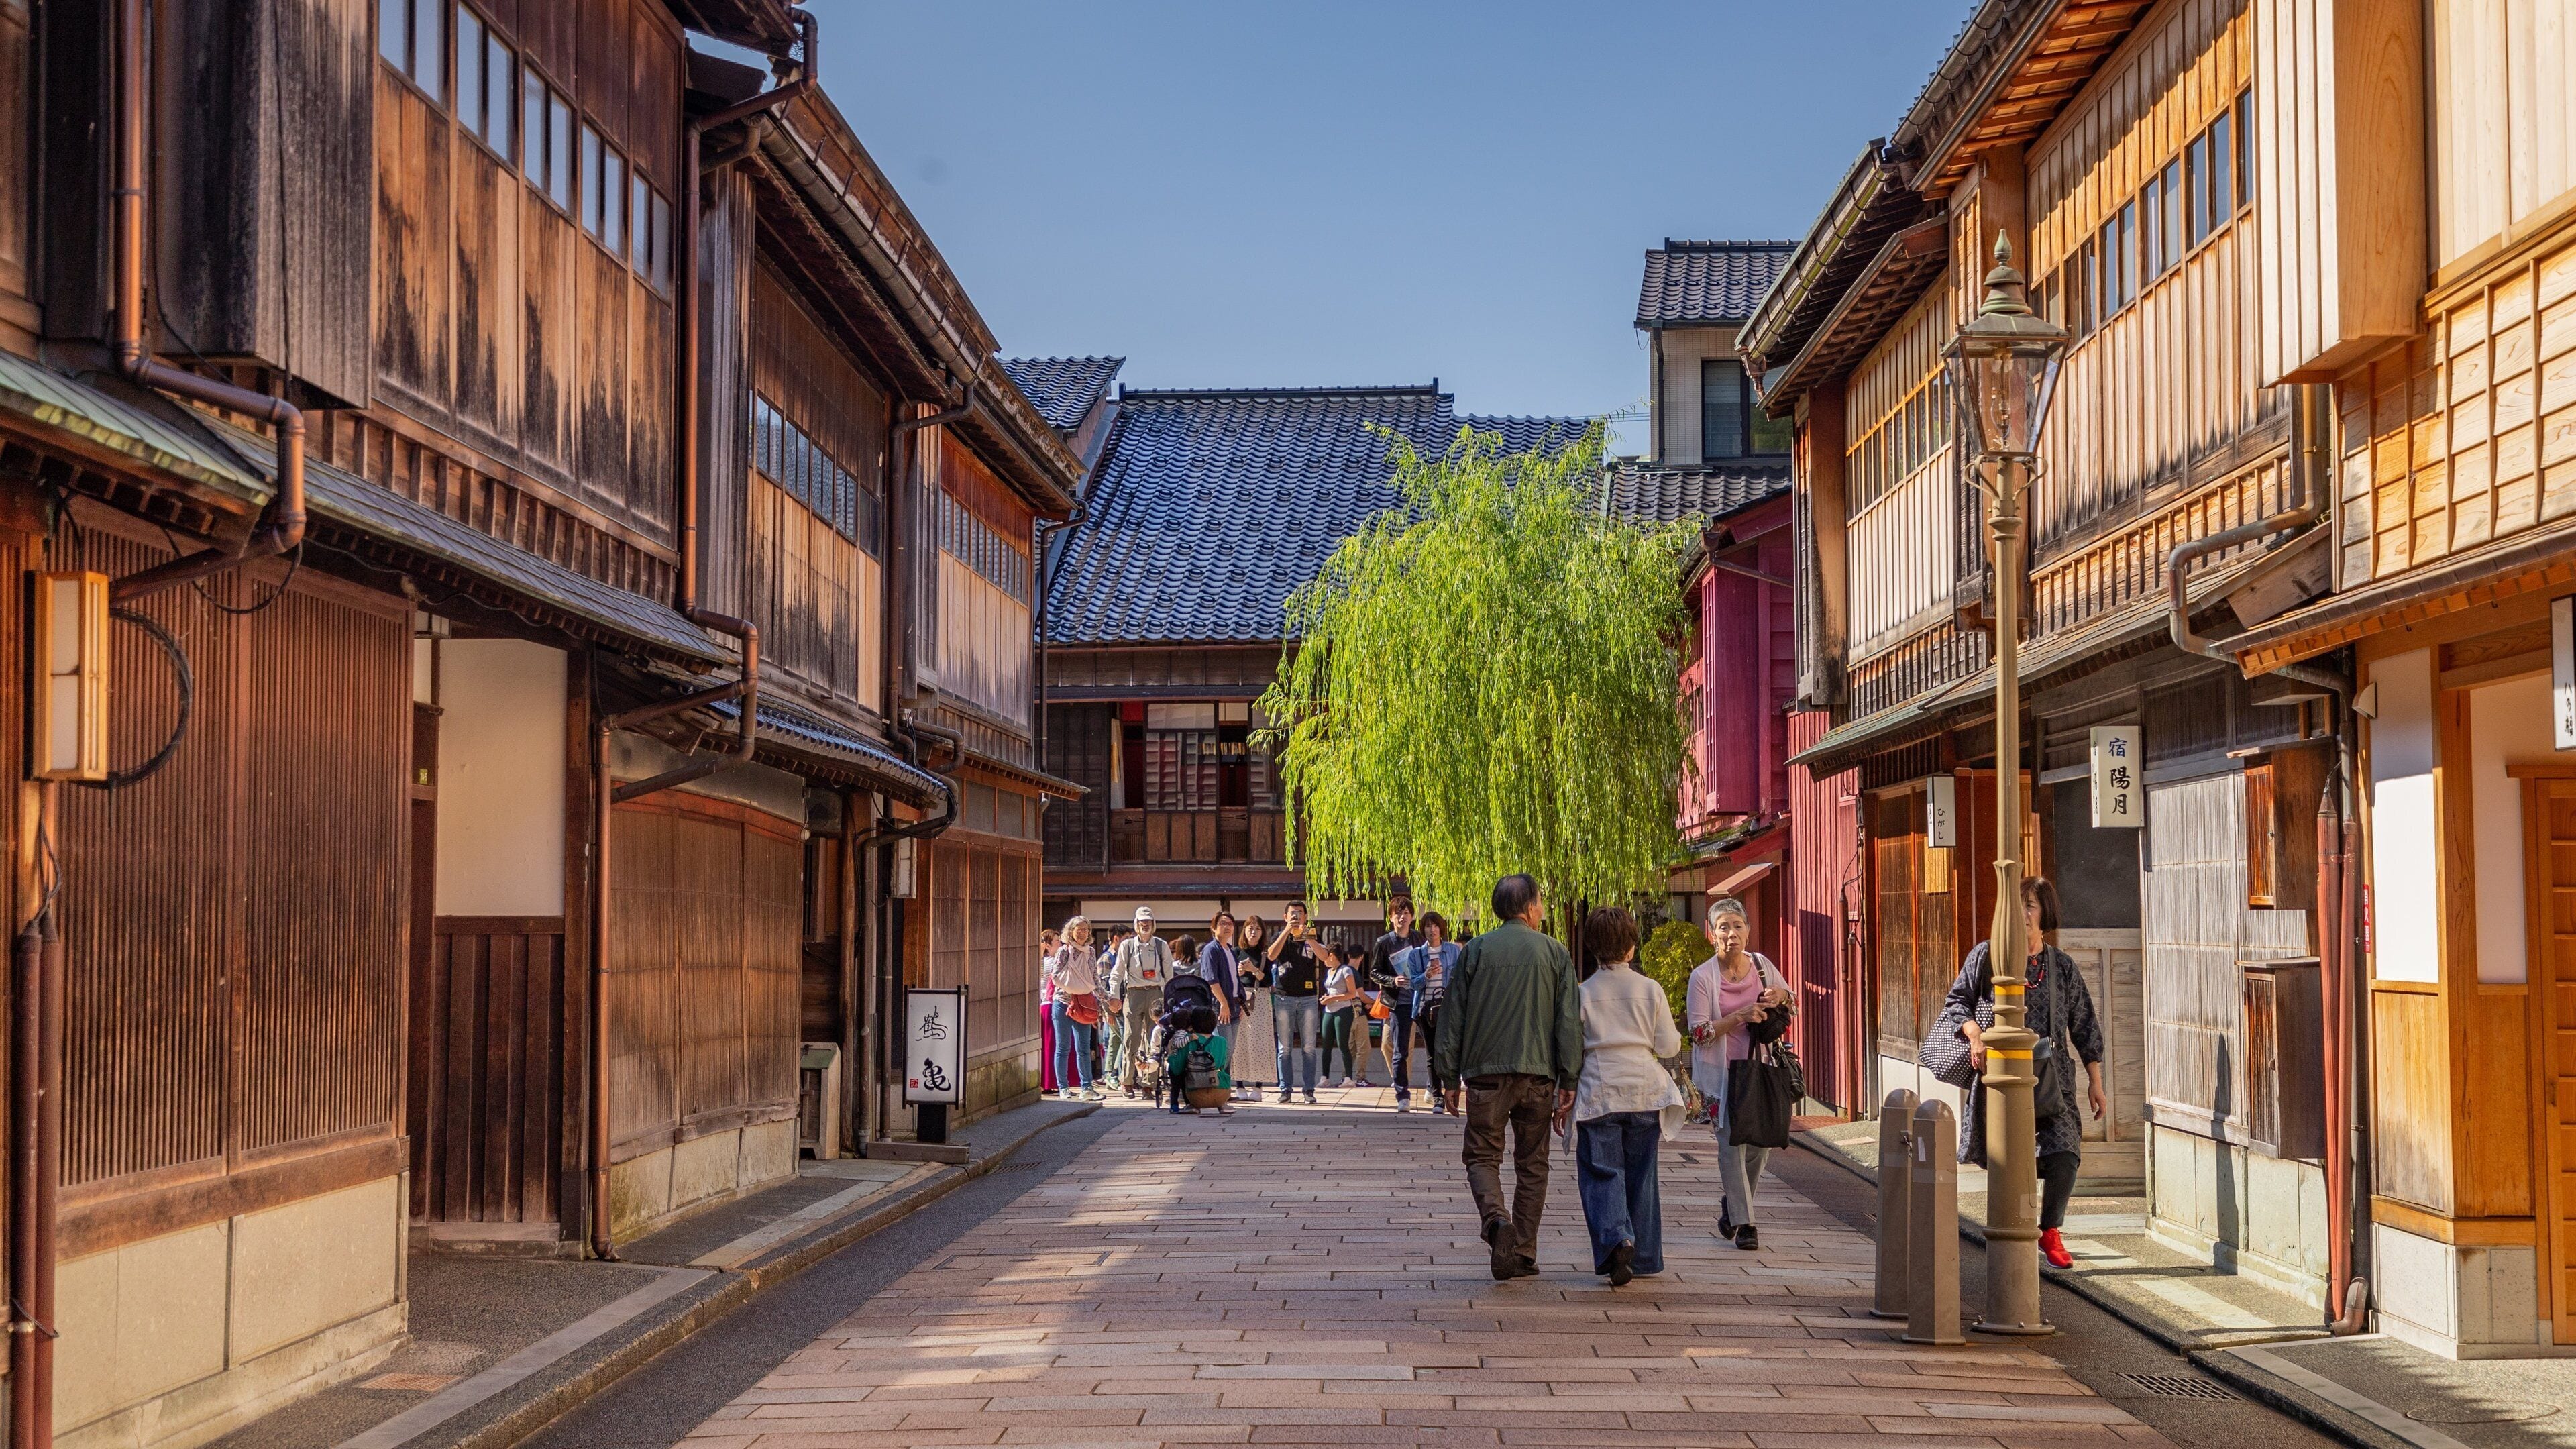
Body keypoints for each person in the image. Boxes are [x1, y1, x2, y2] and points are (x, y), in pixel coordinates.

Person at [1928, 876, 2106, 1269]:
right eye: (2016, 904)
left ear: (2046, 914)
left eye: (2030, 905)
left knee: (2066, 1155)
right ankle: (2010, 1234)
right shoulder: (1987, 955)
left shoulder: (2061, 966)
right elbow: (1957, 1001)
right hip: (1999, 1078)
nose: (2022, 913)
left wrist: (2095, 1081)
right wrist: (1974, 1034)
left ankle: (2050, 1229)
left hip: (2052, 1079)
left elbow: (2084, 1024)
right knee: (2007, 1161)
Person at [1435, 873, 1583, 1281]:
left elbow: (1453, 1019)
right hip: (1538, 1076)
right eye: (1541, 903)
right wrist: (1569, 1079)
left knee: (1482, 1155)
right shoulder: (1555, 952)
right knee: (1533, 1164)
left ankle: (1497, 1221)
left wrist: (1447, 1077)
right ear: (1531, 907)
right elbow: (1568, 1022)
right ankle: (1522, 1252)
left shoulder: (1476, 951)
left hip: (1485, 1076)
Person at [1564, 907, 1684, 1285]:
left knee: (1603, 1172)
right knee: (1642, 1175)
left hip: (1600, 1088)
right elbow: (1667, 1046)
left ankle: (1617, 1240)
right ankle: (1645, 1256)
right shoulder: (1651, 990)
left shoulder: (1582, 992)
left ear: (1593, 949)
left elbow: (1571, 1049)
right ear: (1632, 948)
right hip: (1645, 1088)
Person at [1687, 897, 1792, 1250]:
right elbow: (1699, 1034)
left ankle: (1733, 1207)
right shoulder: (1702, 977)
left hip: (1761, 1069)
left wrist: (1782, 994)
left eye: (1737, 926)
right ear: (1712, 934)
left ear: (1747, 932)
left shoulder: (1762, 965)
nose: (1731, 933)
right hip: (1720, 1074)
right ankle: (1747, 1223)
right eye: (1723, 927)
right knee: (1731, 1144)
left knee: (1760, 1144)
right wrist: (1739, 1016)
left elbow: (1791, 1000)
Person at [1105, 907, 1175, 1097]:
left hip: (1156, 995)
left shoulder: (1162, 946)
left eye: (1149, 922)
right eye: (1142, 922)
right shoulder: (1127, 946)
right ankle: (1126, 1081)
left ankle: (1149, 1084)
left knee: (1155, 1039)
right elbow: (1117, 973)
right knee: (1131, 1039)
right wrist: (1114, 996)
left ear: (1154, 925)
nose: (1145, 925)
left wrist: (1169, 1001)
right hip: (1133, 994)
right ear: (1136, 924)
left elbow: (1169, 976)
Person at [1364, 896, 1424, 1107]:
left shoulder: (1419, 939)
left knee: (1434, 1048)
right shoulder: (1384, 942)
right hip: (1399, 1002)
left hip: (1421, 999)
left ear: (1412, 917)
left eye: (1406, 913)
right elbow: (1373, 972)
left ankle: (1434, 1090)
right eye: (1398, 913)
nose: (1402, 917)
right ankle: (1403, 1095)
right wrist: (1392, 980)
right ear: (1391, 917)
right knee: (1399, 1049)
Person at [1400, 913, 1463, 1113]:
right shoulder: (1416, 954)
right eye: (1428, 926)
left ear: (1441, 929)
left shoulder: (1453, 951)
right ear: (1423, 929)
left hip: (1449, 1008)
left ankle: (1453, 1090)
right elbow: (1413, 984)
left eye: (1435, 926)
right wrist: (1427, 974)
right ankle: (1437, 1096)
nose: (1432, 930)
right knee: (1432, 1053)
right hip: (1426, 1009)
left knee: (1451, 1050)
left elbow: (1461, 979)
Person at [1267, 903, 1326, 1104]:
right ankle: (1285, 1090)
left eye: (1300, 914)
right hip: (1284, 997)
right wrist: (1287, 931)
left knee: (1309, 1046)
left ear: (1306, 916)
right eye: (1293, 914)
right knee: (1285, 1047)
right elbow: (1271, 955)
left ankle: (1309, 1090)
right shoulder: (1278, 936)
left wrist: (1310, 937)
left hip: (1308, 996)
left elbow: (1325, 957)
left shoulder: (1312, 935)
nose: (1296, 917)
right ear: (1285, 916)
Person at [1045, 917, 1105, 1100]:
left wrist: (1107, 1000)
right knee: (1063, 1047)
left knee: (1084, 1048)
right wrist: (1076, 987)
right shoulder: (1064, 951)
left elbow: (1094, 980)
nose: (1082, 933)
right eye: (1078, 929)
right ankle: (1063, 1087)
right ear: (1070, 932)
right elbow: (1056, 977)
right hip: (1063, 1003)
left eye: (1085, 930)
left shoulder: (1091, 952)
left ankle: (1087, 1087)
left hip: (1084, 1005)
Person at [1233, 915, 1275, 1102]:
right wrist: (1238, 972)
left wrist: (1254, 970)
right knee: (1239, 1040)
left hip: (1260, 997)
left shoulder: (1267, 954)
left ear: (1262, 933)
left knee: (1261, 1041)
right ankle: (1239, 1085)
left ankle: (1258, 1086)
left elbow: (1269, 981)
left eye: (1257, 929)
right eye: (1250, 928)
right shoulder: (1235, 952)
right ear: (1244, 931)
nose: (1253, 932)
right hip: (1240, 997)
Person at [1161, 1005, 1229, 1114]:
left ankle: (1192, 1105)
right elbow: (1222, 1064)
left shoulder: (1188, 1040)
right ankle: (1222, 1105)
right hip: (1221, 1092)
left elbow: (1177, 1069)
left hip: (1195, 1094)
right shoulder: (1222, 1042)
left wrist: (1171, 1055)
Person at [1320, 943, 1368, 1087]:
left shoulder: (1346, 970)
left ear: (1332, 956)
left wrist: (1332, 998)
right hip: (1329, 1009)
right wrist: (1326, 998)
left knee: (1343, 1044)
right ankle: (1324, 1077)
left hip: (1343, 1009)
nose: (1324, 960)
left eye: (1325, 956)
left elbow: (1352, 993)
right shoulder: (1329, 972)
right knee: (1326, 1045)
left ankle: (1348, 1078)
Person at [1038, 928, 1062, 1095]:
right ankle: (1049, 1083)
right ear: (1047, 945)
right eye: (1057, 942)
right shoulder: (1050, 962)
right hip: (1048, 1003)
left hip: (1047, 1003)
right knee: (1050, 1045)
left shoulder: (1048, 961)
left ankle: (1049, 1083)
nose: (1060, 944)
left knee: (1051, 1045)